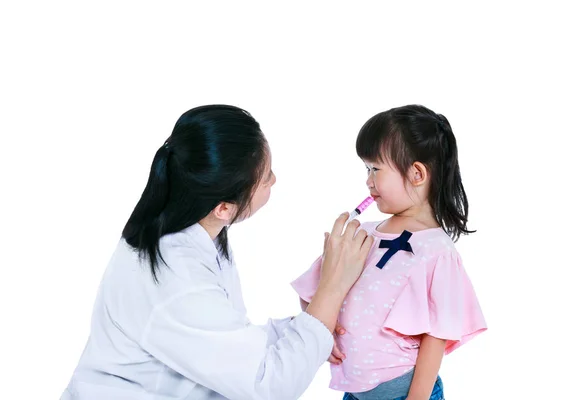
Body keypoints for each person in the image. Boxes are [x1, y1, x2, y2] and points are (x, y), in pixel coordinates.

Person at [60, 104, 374, 400]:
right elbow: (269, 386)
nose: (274, 180)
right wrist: (331, 287)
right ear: (223, 207)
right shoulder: (178, 278)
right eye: (265, 178)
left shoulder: (188, 230)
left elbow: (222, 337)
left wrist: (304, 330)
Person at [292, 105, 487, 400]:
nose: (368, 181)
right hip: (355, 394)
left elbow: (436, 335)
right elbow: (315, 289)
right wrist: (323, 333)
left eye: (375, 169)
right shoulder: (364, 235)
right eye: (366, 169)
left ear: (417, 173)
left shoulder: (436, 250)